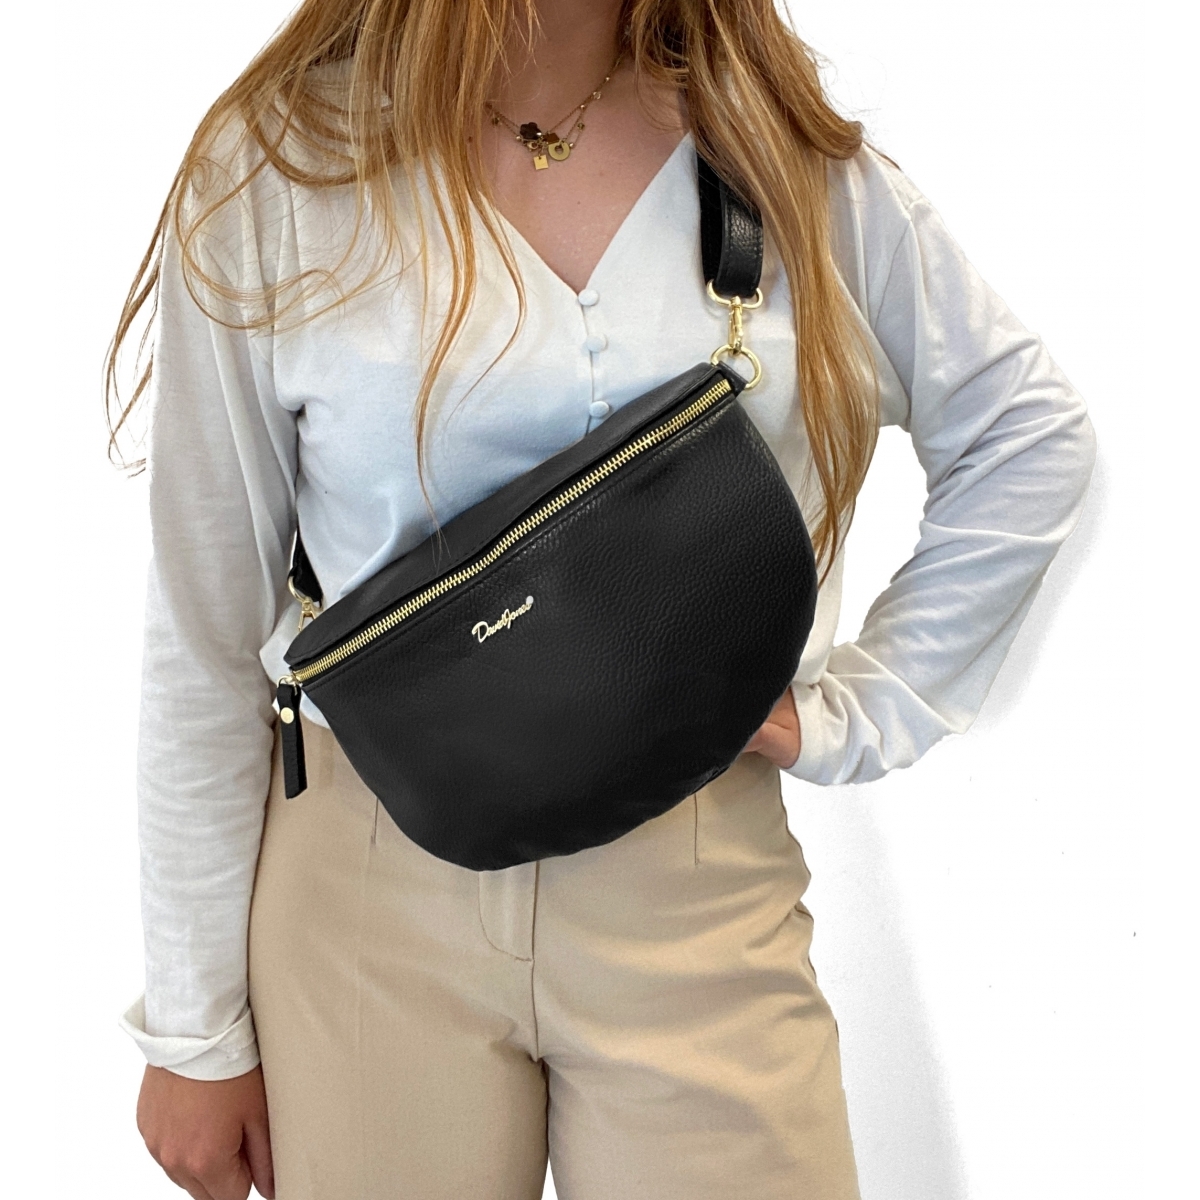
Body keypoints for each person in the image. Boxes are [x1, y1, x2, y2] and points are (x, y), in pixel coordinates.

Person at [109, 0, 1096, 1196]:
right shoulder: (284, 165)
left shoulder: (777, 155)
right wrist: (194, 1031)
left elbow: (1026, 435)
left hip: (693, 867)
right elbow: (206, 629)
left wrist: (859, 711)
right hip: (368, 890)